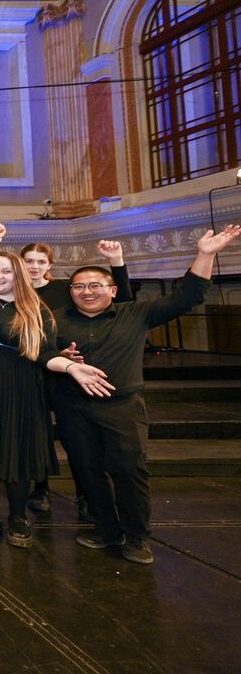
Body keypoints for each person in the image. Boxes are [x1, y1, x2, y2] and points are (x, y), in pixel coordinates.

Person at [55, 225, 240, 565]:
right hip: (73, 407)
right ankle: (106, 529)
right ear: (71, 292)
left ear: (113, 289)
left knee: (130, 471)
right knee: (87, 471)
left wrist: (205, 254)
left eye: (95, 285)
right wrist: (60, 358)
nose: (87, 292)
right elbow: (38, 354)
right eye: (79, 286)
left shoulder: (136, 314)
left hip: (121, 407)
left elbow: (187, 296)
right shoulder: (55, 321)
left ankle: (137, 536)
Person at [0, 233, 114, 549]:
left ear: (18, 274)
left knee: (17, 452)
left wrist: (71, 368)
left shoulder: (36, 310)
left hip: (20, 389)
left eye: (5, 271)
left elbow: (45, 354)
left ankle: (18, 516)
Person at [18, 236, 133, 516]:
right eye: (29, 261)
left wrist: (117, 263)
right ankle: (40, 488)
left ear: (49, 265)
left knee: (77, 442)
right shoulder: (14, 291)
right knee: (37, 434)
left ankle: (86, 495)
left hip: (66, 374)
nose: (34, 266)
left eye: (40, 262)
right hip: (29, 370)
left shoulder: (63, 290)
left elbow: (123, 303)